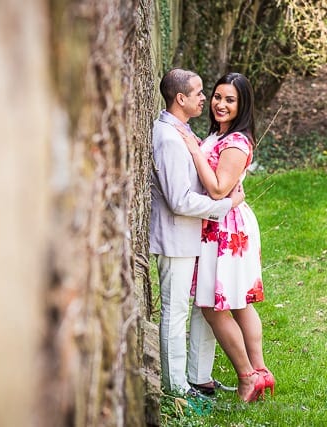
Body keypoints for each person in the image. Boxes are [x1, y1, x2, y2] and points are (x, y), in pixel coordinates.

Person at [177, 72, 275, 402]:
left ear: (242, 104)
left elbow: (218, 188)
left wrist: (193, 150)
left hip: (226, 228)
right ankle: (260, 373)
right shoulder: (221, 134)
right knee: (236, 302)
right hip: (219, 225)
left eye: (229, 100)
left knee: (215, 308)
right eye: (217, 97)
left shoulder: (236, 142)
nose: (220, 104)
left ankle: (249, 375)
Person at [150, 68, 244, 397]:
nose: (205, 98)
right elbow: (179, 201)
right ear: (181, 99)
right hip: (176, 237)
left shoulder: (183, 132)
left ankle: (198, 378)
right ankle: (177, 389)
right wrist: (225, 206)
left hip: (197, 237)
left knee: (201, 310)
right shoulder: (169, 138)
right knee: (175, 313)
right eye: (200, 93)